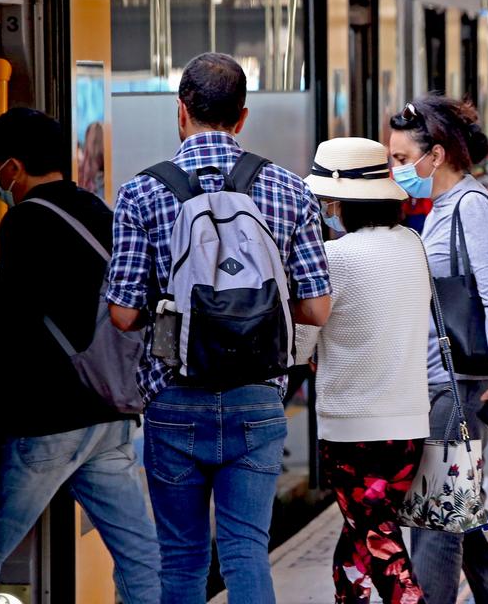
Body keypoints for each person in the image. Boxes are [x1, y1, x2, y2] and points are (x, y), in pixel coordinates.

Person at [107, 53, 332, 603]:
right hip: (257, 399)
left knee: (181, 559)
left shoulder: (142, 193)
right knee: (245, 552)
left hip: (174, 400)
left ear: (180, 111)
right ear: (243, 116)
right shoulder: (288, 190)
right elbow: (318, 308)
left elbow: (123, 314)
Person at [0, 108, 160, 602]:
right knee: (138, 551)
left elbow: (15, 326)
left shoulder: (23, 221)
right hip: (109, 413)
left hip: (51, 419)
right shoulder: (98, 209)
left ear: (13, 167)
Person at [388, 95, 488, 604]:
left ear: (437, 155)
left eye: (402, 159)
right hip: (442, 383)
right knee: (455, 513)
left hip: (460, 386)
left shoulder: (473, 206)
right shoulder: (444, 207)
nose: (395, 169)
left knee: (435, 522)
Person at [296, 137, 431, 601]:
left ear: (340, 203)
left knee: (382, 548)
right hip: (409, 426)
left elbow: (300, 345)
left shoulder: (335, 258)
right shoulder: (413, 244)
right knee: (359, 540)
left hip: (354, 431)